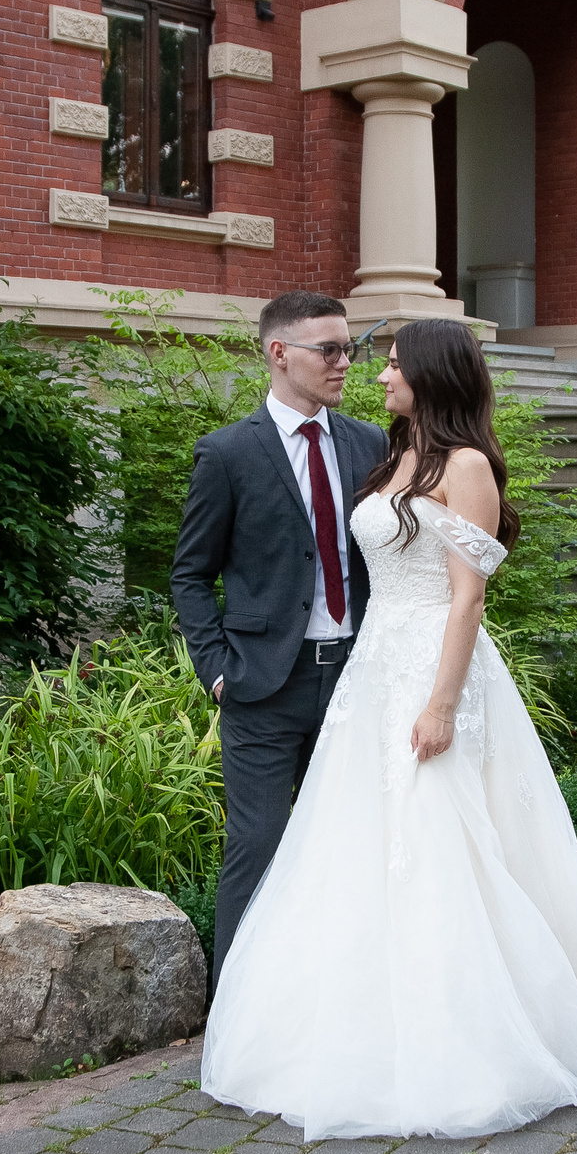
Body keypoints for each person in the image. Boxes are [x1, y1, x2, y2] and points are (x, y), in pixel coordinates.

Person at [199, 318, 577, 1139]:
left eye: (391, 365)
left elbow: (467, 596)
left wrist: (442, 704)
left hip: (437, 672)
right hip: (375, 672)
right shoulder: (392, 457)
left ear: (431, 374)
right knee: (358, 844)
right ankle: (355, 1019)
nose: (377, 376)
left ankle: (474, 1032)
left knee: (440, 842)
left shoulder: (468, 466)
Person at [170, 291, 391, 980]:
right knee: (258, 843)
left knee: (353, 840)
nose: (344, 361)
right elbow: (189, 575)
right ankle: (234, 1008)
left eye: (349, 347)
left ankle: (341, 989)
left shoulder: (368, 443)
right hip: (264, 684)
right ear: (279, 352)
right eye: (328, 349)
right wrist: (216, 667)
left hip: (355, 677)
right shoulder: (228, 454)